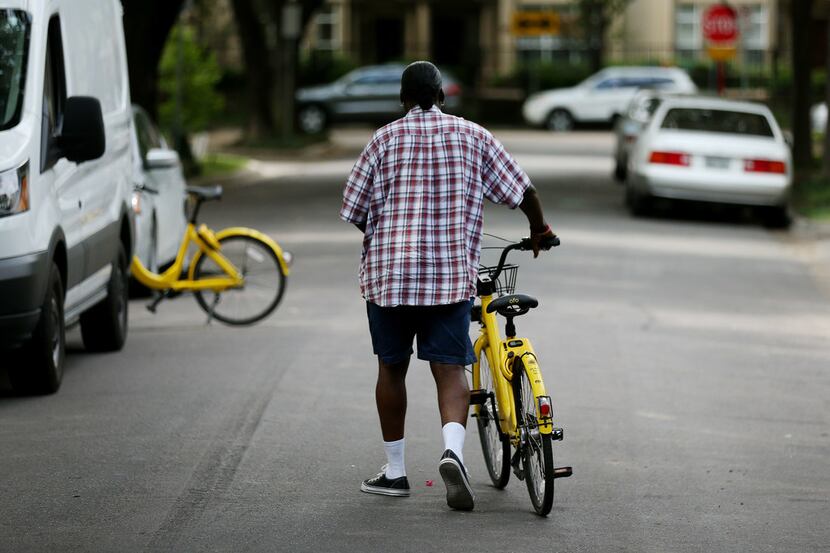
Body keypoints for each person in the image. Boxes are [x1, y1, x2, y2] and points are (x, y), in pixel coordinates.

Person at [340, 61, 554, 511]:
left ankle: (395, 473)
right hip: (449, 277)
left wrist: (388, 238)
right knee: (450, 371)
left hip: (390, 278)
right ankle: (453, 451)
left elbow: (355, 209)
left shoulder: (382, 140)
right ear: (442, 96)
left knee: (391, 368)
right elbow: (523, 190)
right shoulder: (473, 136)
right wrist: (539, 229)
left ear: (402, 99)